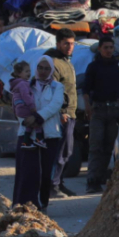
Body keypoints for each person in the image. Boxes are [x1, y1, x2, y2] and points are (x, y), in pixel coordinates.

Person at [11, 57, 66, 210]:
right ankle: (22, 205)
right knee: (27, 170)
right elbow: (17, 104)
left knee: (46, 171)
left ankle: (42, 205)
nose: (43, 71)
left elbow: (55, 105)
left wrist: (37, 117)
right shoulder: (25, 84)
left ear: (51, 71)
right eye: (40, 68)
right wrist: (25, 120)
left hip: (49, 134)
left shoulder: (57, 87)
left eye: (46, 69)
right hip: (28, 133)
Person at [79, 34, 119, 192]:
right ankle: (92, 181)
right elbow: (86, 89)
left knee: (109, 147)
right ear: (99, 49)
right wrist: (88, 106)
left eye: (111, 47)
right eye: (106, 47)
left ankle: (101, 178)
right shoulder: (93, 67)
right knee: (95, 146)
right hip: (98, 110)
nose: (109, 50)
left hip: (115, 110)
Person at [43, 32, 79, 203]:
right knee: (60, 150)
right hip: (61, 114)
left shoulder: (66, 61)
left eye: (72, 43)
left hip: (70, 113)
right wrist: (61, 111)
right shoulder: (54, 63)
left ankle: (59, 182)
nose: (70, 47)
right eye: (66, 43)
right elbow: (52, 91)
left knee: (67, 151)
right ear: (58, 43)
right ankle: (53, 185)